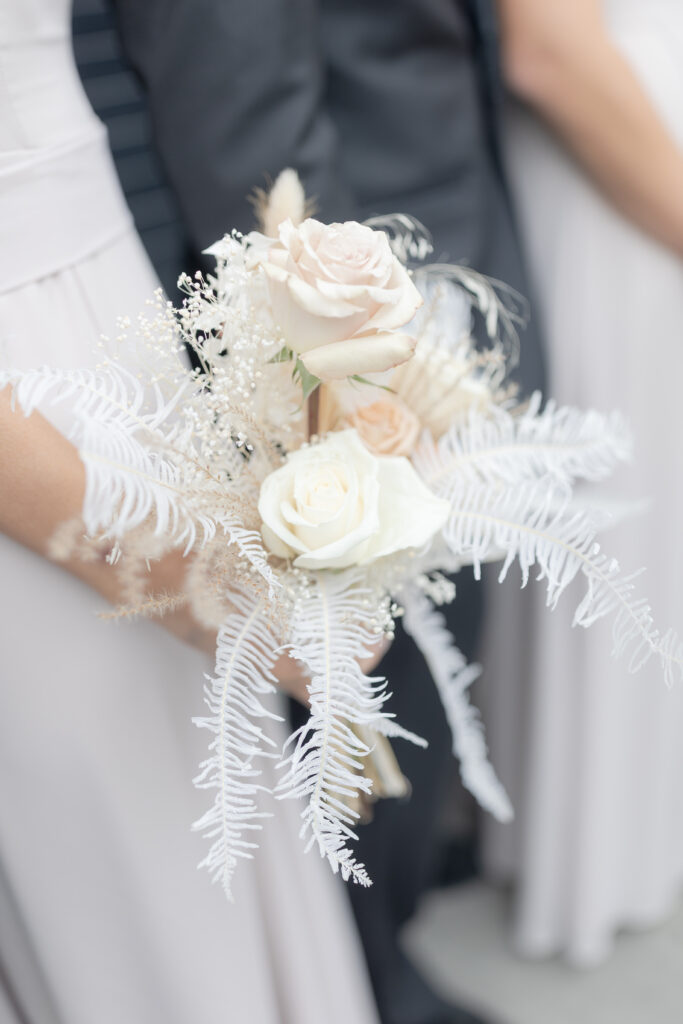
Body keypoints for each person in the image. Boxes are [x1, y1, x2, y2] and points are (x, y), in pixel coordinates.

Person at [111, 2, 545, 1022]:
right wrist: (344, 382)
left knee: (410, 680)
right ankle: (358, 981)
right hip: (349, 324)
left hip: (437, 252)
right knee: (352, 676)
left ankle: (372, 962)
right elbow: (242, 117)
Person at [0, 2, 383, 1021]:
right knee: (124, 870)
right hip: (26, 461)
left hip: (119, 330)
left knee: (220, 794)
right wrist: (182, 575)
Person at [481, 0, 683, 965]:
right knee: (618, 543)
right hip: (625, 184)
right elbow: (548, 48)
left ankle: (633, 828)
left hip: (643, 165)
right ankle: (588, 856)